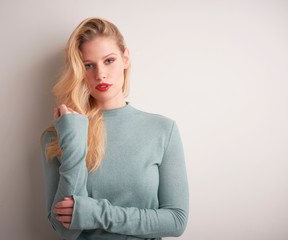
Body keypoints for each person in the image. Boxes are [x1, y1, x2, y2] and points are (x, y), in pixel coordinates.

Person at [39, 17, 189, 240]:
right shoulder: (59, 133)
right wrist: (73, 141)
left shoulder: (163, 130)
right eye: (88, 65)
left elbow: (176, 221)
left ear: (125, 58)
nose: (100, 74)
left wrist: (97, 213)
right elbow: (64, 230)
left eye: (108, 60)